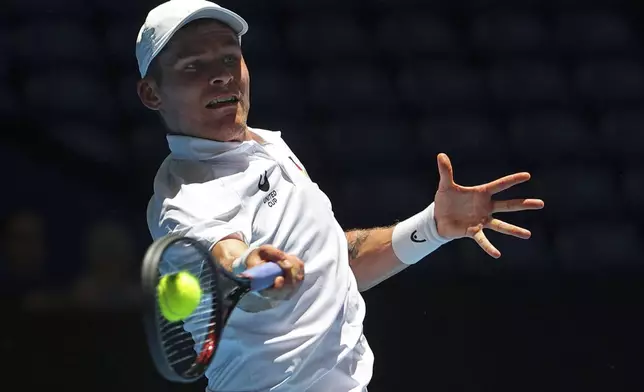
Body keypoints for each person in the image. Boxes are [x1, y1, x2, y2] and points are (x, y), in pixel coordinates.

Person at [137, 1, 545, 391]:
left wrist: (433, 227)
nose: (222, 75)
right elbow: (226, 260)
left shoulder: (265, 147)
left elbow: (334, 265)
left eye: (229, 58)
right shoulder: (186, 197)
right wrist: (251, 267)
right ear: (152, 94)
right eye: (193, 66)